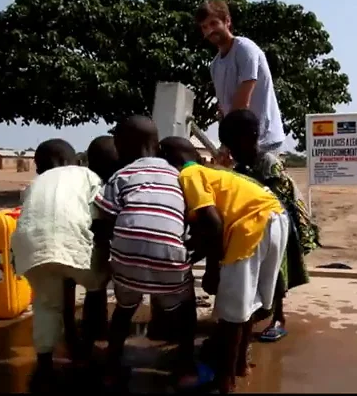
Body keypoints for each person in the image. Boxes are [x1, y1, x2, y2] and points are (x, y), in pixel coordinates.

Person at [159, 136, 290, 394]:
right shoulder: (213, 174)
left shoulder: (189, 174)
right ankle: (240, 364)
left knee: (231, 312)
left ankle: (224, 381)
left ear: (169, 163)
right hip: (276, 217)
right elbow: (208, 227)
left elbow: (213, 223)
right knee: (247, 303)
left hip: (251, 226)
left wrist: (212, 269)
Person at [91, 116, 205, 391]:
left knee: (124, 309)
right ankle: (185, 367)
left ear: (121, 146)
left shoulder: (121, 176)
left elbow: (103, 222)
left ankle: (111, 367)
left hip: (127, 259)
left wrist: (111, 260)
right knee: (185, 310)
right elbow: (189, 218)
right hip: (170, 259)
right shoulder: (178, 176)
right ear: (155, 144)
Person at [10, 138, 110, 391]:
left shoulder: (34, 184)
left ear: (40, 166)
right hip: (73, 242)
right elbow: (98, 215)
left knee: (45, 305)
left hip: (32, 248)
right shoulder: (87, 175)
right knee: (96, 285)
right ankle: (87, 349)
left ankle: (44, 365)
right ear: (71, 160)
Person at [218, 109, 319, 342]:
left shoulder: (268, 163)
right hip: (261, 224)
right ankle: (259, 310)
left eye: (234, 144)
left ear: (252, 137)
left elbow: (277, 200)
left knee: (279, 273)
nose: (231, 151)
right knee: (264, 272)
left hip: (285, 224)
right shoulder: (241, 166)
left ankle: (278, 317)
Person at [195, 0, 285, 167]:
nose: (210, 30)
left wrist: (228, 145)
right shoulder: (215, 66)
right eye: (204, 27)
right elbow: (225, 110)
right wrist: (225, 145)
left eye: (214, 23)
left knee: (266, 191)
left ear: (227, 21)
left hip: (263, 142)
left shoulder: (245, 49)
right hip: (240, 144)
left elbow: (242, 103)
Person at [61, 135, 121, 353]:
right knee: (96, 288)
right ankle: (95, 330)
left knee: (66, 290)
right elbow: (102, 224)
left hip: (61, 245)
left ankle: (69, 332)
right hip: (90, 244)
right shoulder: (102, 186)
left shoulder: (72, 181)